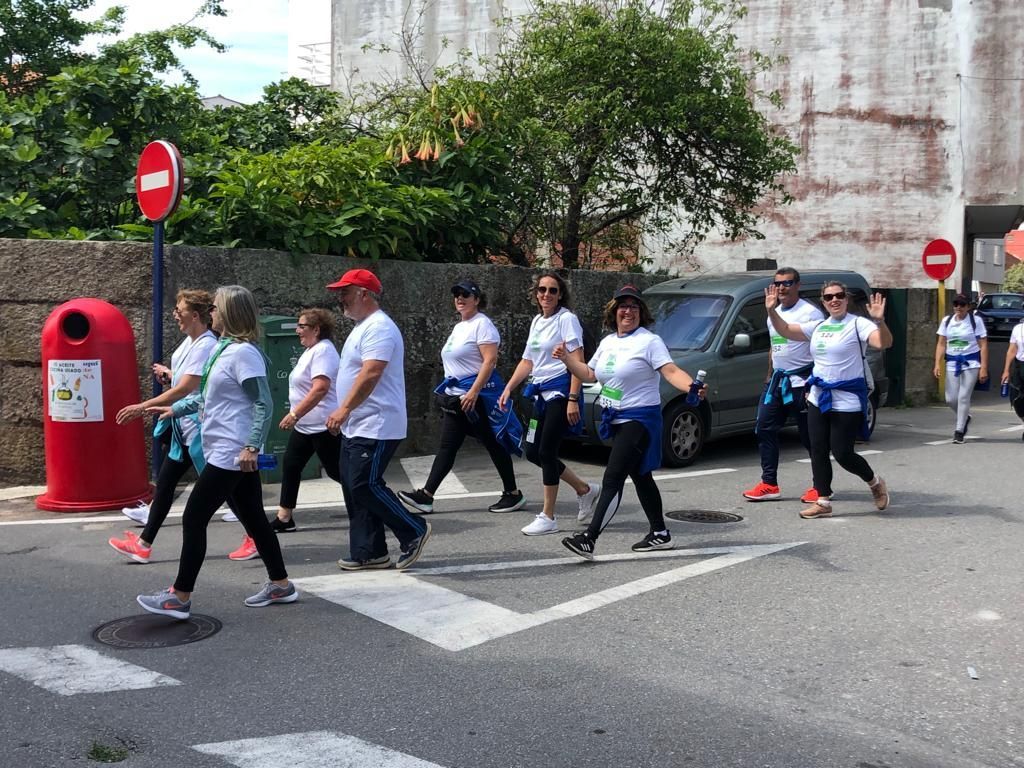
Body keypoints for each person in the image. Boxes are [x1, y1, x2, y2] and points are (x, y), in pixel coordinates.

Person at [136, 285, 298, 619]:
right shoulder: (224, 350)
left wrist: (252, 445)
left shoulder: (243, 353)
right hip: (225, 450)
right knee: (254, 517)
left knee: (195, 516)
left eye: (215, 307)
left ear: (229, 312)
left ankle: (179, 596)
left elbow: (263, 403)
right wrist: (173, 410)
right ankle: (281, 584)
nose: (211, 312)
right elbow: (207, 397)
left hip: (233, 453)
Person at [555, 286, 706, 560]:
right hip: (617, 418)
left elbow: (670, 370)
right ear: (614, 312)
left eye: (634, 307)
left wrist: (691, 387)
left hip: (640, 419)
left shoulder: (649, 342)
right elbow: (589, 374)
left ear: (641, 313)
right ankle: (660, 533)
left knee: (613, 476)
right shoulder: (608, 342)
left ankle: (589, 538)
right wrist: (567, 359)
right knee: (640, 475)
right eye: (623, 306)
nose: (628, 311)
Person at [108, 289, 246, 564]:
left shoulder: (207, 344)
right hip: (184, 430)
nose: (175, 315)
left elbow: (188, 388)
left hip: (201, 432)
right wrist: (169, 377)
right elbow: (184, 383)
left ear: (196, 315)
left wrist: (142, 406)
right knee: (167, 484)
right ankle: (144, 544)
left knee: (232, 493)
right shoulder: (188, 344)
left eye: (179, 311)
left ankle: (255, 535)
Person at [326, 268, 431, 571]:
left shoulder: (380, 328)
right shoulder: (362, 327)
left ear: (364, 293)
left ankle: (413, 529)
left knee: (364, 484)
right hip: (358, 423)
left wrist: (344, 408)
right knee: (352, 484)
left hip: (377, 422)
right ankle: (369, 550)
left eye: (345, 292)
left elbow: (372, 372)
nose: (340, 298)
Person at [765, 281, 893, 519]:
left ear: (846, 299)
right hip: (818, 395)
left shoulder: (858, 324)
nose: (834, 300)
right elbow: (784, 330)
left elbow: (883, 343)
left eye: (839, 295)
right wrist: (772, 310)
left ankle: (875, 482)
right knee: (818, 449)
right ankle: (823, 501)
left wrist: (880, 320)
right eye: (828, 297)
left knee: (843, 453)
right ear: (823, 302)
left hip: (846, 399)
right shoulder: (818, 326)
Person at [398, 279, 526, 515]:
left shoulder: (483, 325)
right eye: (457, 294)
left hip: (476, 397)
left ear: (477, 300)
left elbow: (489, 361)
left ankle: (513, 494)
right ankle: (426, 496)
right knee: (449, 446)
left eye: (466, 295)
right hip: (456, 397)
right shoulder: (460, 327)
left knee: (493, 442)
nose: (460, 298)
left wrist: (474, 391)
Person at [498, 271, 602, 536]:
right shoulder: (536, 321)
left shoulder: (566, 319)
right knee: (533, 452)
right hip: (539, 394)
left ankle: (548, 516)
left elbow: (578, 361)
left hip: (558, 392)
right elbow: (527, 362)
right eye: (542, 289)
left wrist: (573, 399)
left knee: (546, 451)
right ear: (536, 293)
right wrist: (509, 388)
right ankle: (584, 489)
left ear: (560, 294)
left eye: (552, 290)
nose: (546, 294)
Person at [742, 268, 824, 502]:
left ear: (798, 285)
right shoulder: (773, 312)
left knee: (810, 436)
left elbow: (818, 348)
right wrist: (769, 376)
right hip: (778, 382)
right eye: (777, 283)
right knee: (764, 428)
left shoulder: (810, 313)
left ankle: (820, 486)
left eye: (787, 283)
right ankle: (769, 483)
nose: (781, 288)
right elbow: (774, 347)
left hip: (803, 382)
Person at [271, 308, 343, 532]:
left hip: (323, 425)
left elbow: (320, 388)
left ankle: (377, 505)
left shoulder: (324, 351)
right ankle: (285, 518)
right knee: (291, 465)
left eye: (302, 326)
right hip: (306, 427)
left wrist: (294, 414)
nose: (297, 330)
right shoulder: (312, 350)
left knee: (338, 471)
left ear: (316, 329)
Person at [934, 293, 988, 444]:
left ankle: (959, 431)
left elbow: (983, 345)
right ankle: (965, 417)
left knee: (964, 396)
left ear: (968, 307)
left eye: (962, 304)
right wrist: (937, 363)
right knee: (951, 399)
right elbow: (941, 343)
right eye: (956, 304)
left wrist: (983, 367)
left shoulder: (975, 321)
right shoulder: (947, 321)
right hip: (952, 362)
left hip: (971, 362)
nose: (958, 307)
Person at [1000, 317, 1024, 439]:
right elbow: (1012, 350)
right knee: (1016, 398)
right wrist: (1006, 370)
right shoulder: (1017, 329)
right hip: (1020, 366)